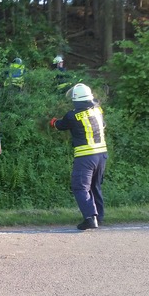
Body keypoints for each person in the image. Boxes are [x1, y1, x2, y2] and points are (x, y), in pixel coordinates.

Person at [49, 83, 108, 230]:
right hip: (101, 154)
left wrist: (53, 122)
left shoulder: (72, 115)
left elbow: (60, 125)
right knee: (95, 186)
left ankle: (89, 218)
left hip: (85, 156)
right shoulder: (98, 110)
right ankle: (99, 217)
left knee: (80, 187)